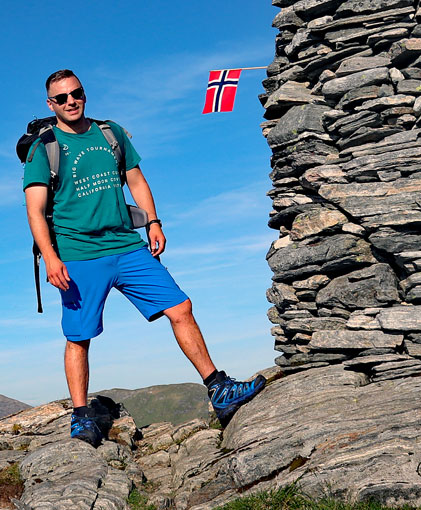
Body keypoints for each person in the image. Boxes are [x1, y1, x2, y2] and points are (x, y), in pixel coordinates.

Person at [22, 69, 265, 447]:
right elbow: (35, 210)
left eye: (77, 93)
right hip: (79, 254)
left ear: (84, 95)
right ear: (50, 104)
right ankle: (81, 416)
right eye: (62, 97)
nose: (72, 101)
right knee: (79, 336)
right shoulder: (45, 147)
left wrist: (153, 221)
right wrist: (52, 258)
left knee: (180, 307)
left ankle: (218, 389)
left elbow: (136, 180)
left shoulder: (110, 133)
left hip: (127, 245)